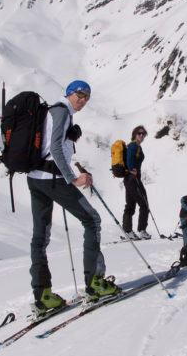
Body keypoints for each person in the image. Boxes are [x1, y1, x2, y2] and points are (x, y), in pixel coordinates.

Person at [27, 80, 120, 311]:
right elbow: (55, 148)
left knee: (40, 236)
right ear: (69, 93)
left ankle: (43, 296)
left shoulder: (50, 112)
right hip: (53, 180)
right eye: (80, 94)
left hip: (35, 178)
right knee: (92, 220)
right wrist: (72, 178)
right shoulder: (61, 112)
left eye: (87, 96)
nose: (83, 99)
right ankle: (95, 283)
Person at [121, 125, 151, 239]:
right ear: (134, 134)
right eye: (139, 133)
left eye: (143, 134)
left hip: (129, 179)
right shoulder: (133, 146)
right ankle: (141, 231)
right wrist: (131, 170)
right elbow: (129, 160)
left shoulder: (136, 147)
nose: (142, 135)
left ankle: (128, 231)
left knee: (130, 205)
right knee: (144, 204)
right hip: (133, 179)